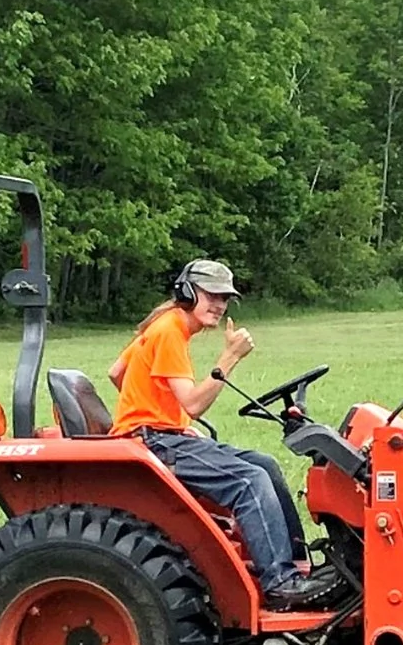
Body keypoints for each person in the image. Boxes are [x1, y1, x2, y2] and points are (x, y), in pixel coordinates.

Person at [106, 260, 337, 610]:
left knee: (265, 465)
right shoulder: (169, 330)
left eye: (225, 298)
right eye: (211, 295)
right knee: (249, 481)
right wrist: (229, 357)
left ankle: (297, 565)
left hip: (158, 432)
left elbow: (117, 373)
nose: (219, 304)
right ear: (186, 292)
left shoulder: (163, 325)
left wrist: (164, 413)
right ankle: (281, 583)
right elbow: (195, 405)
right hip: (154, 440)